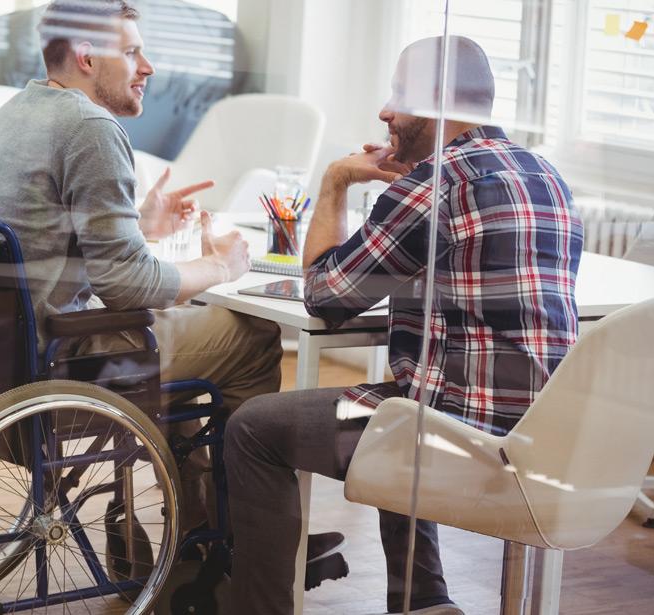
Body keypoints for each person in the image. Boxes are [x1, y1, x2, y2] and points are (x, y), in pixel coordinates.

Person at [224, 36, 583, 615]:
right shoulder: (545, 175)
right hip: (550, 437)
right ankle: (423, 600)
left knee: (254, 427)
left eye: (398, 94)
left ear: (439, 100)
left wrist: (337, 180)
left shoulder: (435, 184)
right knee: (405, 391)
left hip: (459, 443)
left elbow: (325, 294)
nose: (384, 110)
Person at [0, 0, 283, 533]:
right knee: (251, 337)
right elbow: (127, 285)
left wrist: (140, 226)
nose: (147, 67)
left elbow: (37, 241)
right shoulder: (90, 127)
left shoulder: (19, 110)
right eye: (131, 52)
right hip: (58, 359)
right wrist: (219, 265)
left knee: (190, 351)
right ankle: (247, 531)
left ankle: (192, 520)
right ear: (86, 55)